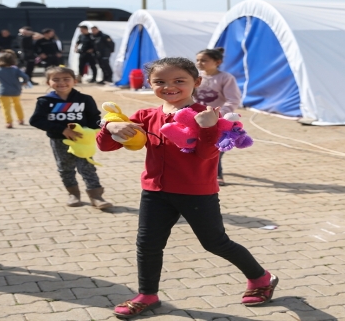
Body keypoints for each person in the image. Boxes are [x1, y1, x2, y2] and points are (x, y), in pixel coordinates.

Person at [97, 57, 277, 319]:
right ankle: (147, 295)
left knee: (215, 242)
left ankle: (261, 279)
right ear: (150, 83)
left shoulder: (207, 115)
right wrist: (110, 125)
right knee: (147, 244)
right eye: (160, 82)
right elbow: (106, 145)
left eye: (179, 81)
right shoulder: (146, 116)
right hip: (155, 191)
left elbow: (206, 156)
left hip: (197, 191)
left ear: (197, 82)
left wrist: (206, 128)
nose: (169, 86)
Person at [30, 66, 112, 209]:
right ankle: (73, 194)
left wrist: (96, 132)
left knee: (87, 167)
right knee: (65, 167)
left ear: (75, 81)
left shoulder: (85, 99)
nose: (61, 82)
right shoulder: (45, 101)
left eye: (66, 79)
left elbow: (94, 118)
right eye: (55, 79)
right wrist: (62, 130)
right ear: (48, 82)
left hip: (83, 142)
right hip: (59, 140)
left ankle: (96, 196)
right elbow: (36, 120)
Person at [194, 47, 241, 186]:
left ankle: (217, 174)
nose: (199, 63)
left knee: (217, 147)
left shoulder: (226, 78)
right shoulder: (195, 77)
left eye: (204, 60)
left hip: (219, 119)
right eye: (197, 60)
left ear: (217, 62)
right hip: (197, 118)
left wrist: (219, 114)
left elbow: (233, 100)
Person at [0, 52, 30, 128]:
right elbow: (25, 76)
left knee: (5, 107)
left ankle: (9, 122)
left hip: (3, 90)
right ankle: (21, 119)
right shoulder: (15, 69)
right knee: (17, 105)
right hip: (16, 89)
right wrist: (23, 82)